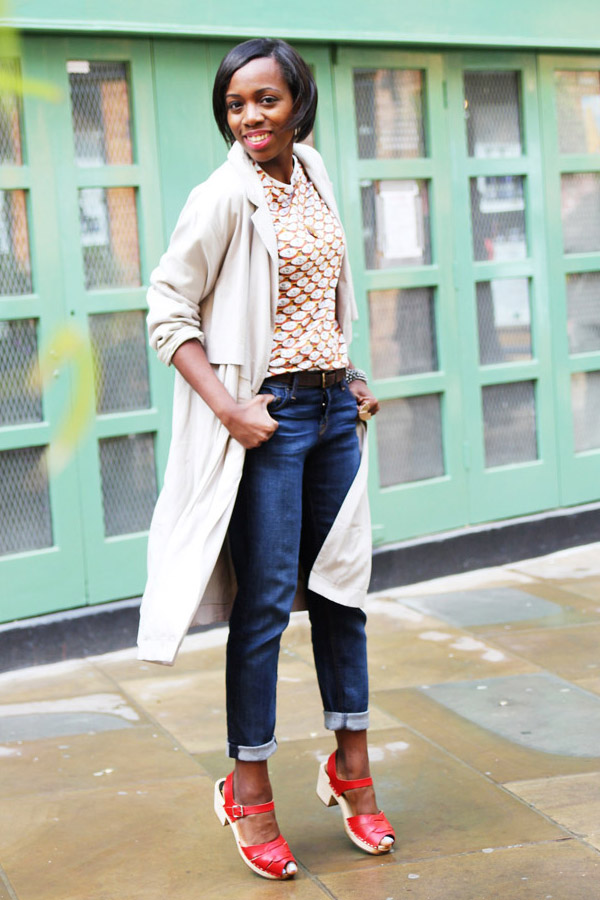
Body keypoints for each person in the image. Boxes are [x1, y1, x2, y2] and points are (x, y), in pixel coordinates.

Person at [137, 38, 395, 881]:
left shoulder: (314, 171)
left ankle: (351, 770)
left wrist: (348, 371)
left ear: (298, 104)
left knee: (344, 593)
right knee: (267, 608)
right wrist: (230, 409)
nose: (249, 116)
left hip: (332, 411)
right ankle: (248, 787)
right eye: (235, 104)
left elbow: (316, 298)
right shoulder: (221, 196)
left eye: (266, 100)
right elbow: (167, 308)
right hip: (270, 418)